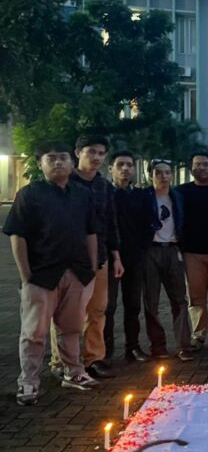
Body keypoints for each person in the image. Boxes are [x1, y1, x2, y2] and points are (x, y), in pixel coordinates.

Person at [5, 141, 100, 404]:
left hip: (77, 272)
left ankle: (74, 372)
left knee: (71, 328)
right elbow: (17, 235)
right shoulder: (29, 194)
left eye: (62, 157)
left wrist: (91, 268)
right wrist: (26, 276)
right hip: (41, 274)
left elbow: (91, 232)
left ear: (72, 162)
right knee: (34, 333)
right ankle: (28, 381)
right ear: (40, 164)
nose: (58, 162)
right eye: (51, 158)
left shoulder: (82, 194)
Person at [50, 134, 122, 381]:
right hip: (67, 258)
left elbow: (111, 223)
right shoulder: (64, 182)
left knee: (97, 309)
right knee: (64, 312)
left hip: (99, 256)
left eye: (101, 153)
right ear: (78, 153)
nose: (96, 157)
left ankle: (94, 358)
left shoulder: (104, 186)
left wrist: (116, 255)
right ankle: (60, 360)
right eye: (91, 151)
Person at [142, 159, 193, 362]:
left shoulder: (178, 197)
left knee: (180, 299)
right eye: (158, 173)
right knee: (151, 301)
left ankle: (184, 345)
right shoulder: (144, 197)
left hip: (172, 250)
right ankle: (158, 346)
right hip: (150, 250)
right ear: (151, 176)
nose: (163, 176)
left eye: (167, 172)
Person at [105, 150, 153, 362]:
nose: (125, 169)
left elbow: (148, 224)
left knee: (133, 305)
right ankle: (105, 351)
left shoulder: (140, 195)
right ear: (111, 169)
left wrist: (142, 248)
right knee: (107, 307)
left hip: (135, 257)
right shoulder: (105, 194)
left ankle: (132, 347)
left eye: (129, 165)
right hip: (109, 258)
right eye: (120, 165)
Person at [177, 151, 208, 350]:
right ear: (191, 168)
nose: (201, 167)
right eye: (197, 164)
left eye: (205, 164)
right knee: (196, 297)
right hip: (191, 253)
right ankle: (198, 335)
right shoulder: (181, 192)